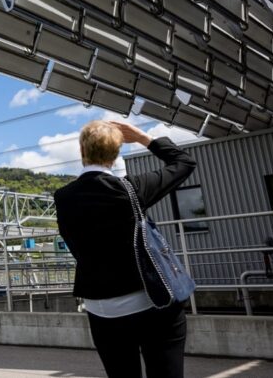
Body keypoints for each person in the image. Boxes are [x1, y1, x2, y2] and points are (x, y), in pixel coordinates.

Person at [54, 121, 196, 378]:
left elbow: (74, 244)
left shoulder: (63, 197)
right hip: (153, 302)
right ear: (117, 152)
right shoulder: (132, 189)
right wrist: (145, 138)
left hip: (101, 309)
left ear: (81, 149)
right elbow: (184, 163)